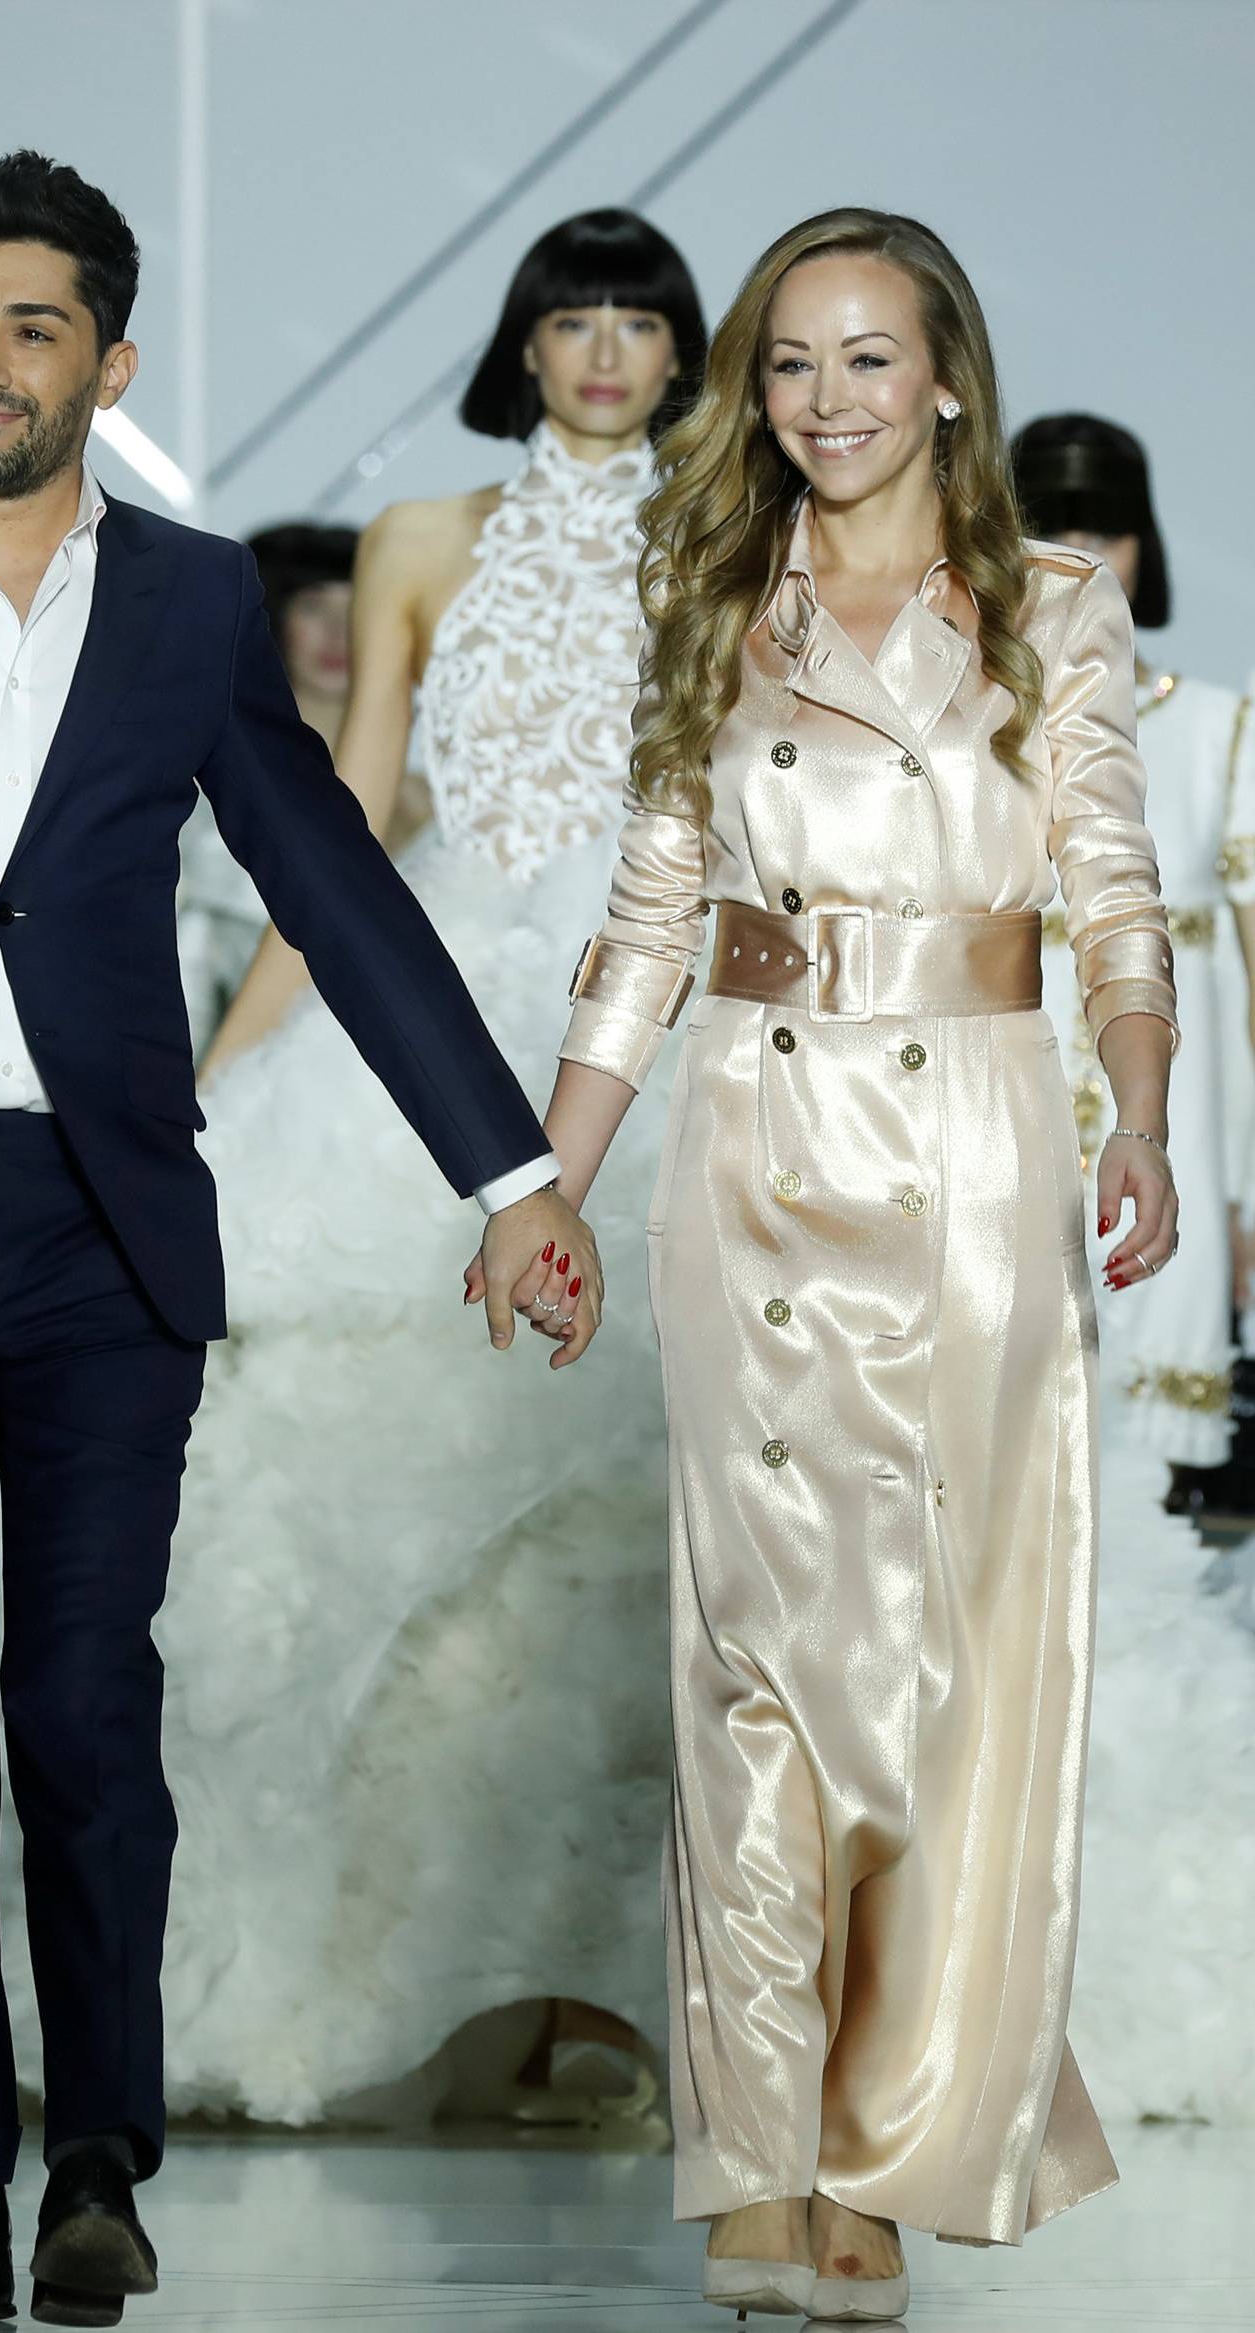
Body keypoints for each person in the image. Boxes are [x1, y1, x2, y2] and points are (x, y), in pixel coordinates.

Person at [0, 150, 590, 2330]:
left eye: (31, 326)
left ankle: (97, 2158)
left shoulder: (186, 598)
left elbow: (331, 880)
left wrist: (513, 1173)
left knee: (76, 1696)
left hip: (101, 1222)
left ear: (107, 363)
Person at [530, 209, 1176, 2318]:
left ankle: (883, 2151)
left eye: (870, 359)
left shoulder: (1053, 605)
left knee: (943, 1665)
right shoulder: (713, 587)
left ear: (950, 377)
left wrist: (1145, 1114)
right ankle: (760, 2146)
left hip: (977, 1147)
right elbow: (647, 908)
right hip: (755, 1137)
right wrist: (546, 1183)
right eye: (792, 362)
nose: (827, 399)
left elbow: (1111, 888)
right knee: (750, 1657)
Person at [1010, 414, 1253, 1469]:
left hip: (1184, 1135)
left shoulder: (1219, 728)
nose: (1081, 563)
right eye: (1049, 532)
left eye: (1103, 533)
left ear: (1143, 544)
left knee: (1164, 1479)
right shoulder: (958, 735)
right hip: (994, 1122)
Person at [176, 521, 355, 1053]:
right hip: (231, 1079)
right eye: (313, 606)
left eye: (358, 609)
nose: (338, 634)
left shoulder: (431, 805)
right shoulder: (203, 798)